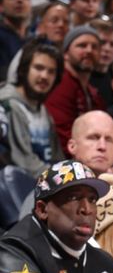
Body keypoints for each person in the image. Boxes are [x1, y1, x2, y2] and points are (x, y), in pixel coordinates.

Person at [0, 38, 63, 175]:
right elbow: (25, 163)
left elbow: (57, 158)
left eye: (51, 71)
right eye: (39, 68)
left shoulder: (43, 110)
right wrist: (60, 179)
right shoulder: (8, 105)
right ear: (23, 70)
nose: (45, 76)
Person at [44, 25, 105, 152]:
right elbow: (61, 133)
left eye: (95, 47)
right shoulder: (60, 84)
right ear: (65, 53)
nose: (89, 50)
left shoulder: (93, 92)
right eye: (82, 45)